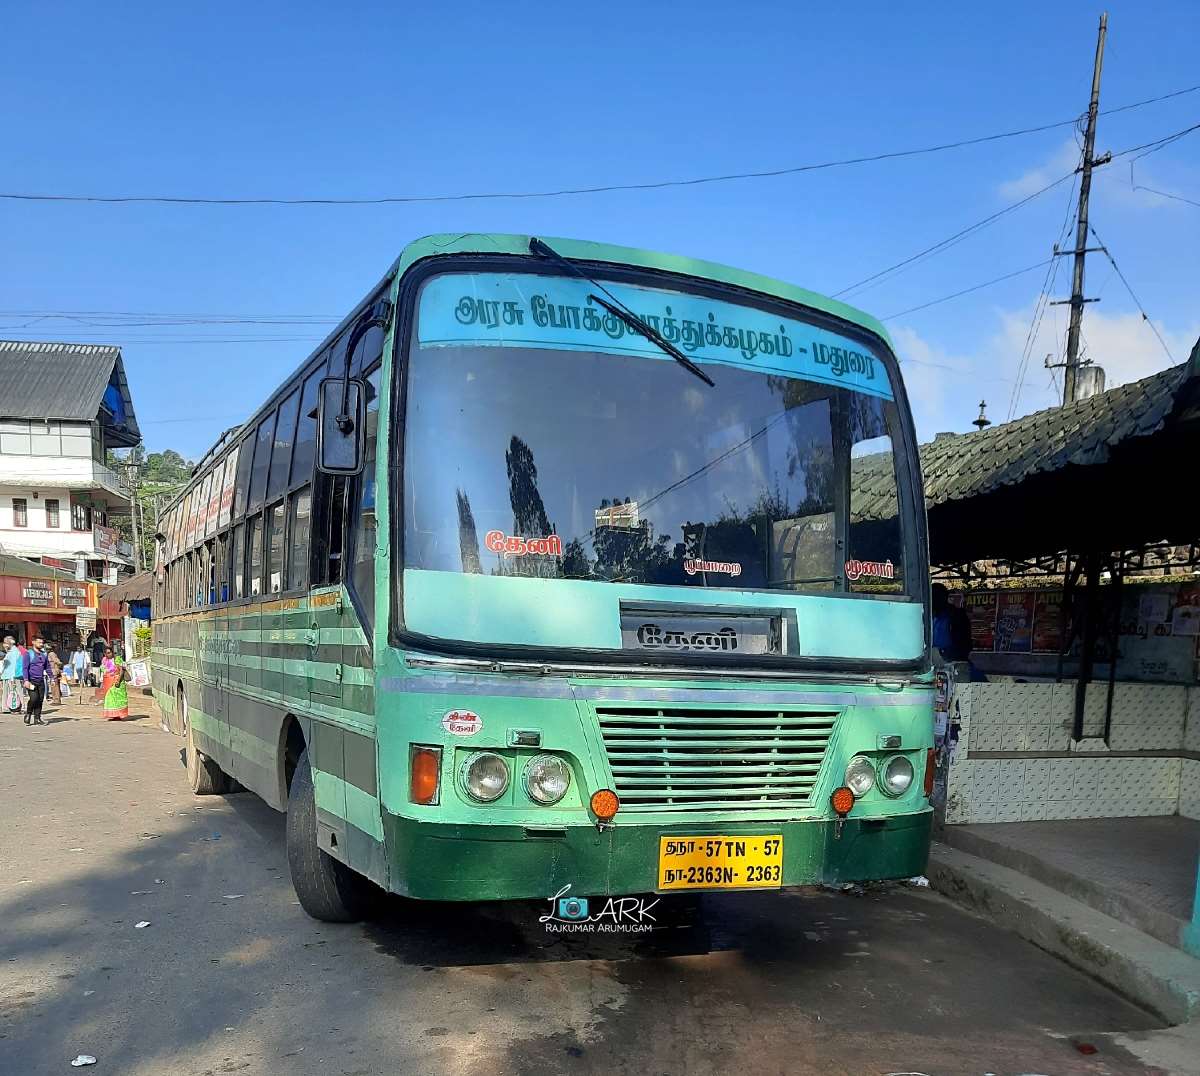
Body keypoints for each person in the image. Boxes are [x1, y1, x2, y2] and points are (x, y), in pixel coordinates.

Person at [931, 583, 973, 663]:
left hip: (953, 660)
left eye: (936, 596)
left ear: (945, 597)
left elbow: (964, 643)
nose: (934, 600)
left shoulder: (957, 615)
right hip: (933, 659)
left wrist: (948, 654)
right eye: (932, 597)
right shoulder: (929, 616)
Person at [23, 635, 49, 726]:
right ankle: (28, 713)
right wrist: (26, 680)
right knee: (34, 698)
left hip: (41, 680)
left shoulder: (44, 654)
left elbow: (47, 667)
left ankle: (37, 718)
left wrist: (52, 678)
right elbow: (25, 668)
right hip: (31, 681)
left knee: (40, 700)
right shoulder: (28, 654)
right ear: (33, 642)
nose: (41, 644)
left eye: (42, 642)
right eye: (39, 642)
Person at [99, 646, 129, 721]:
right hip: (108, 681)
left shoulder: (117, 659)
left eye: (109, 653)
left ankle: (120, 714)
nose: (107, 655)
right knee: (110, 698)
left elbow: (121, 670)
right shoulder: (104, 660)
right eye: (106, 653)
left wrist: (118, 680)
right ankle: (114, 714)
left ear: (112, 652)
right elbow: (103, 669)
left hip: (117, 680)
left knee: (119, 698)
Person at [1, 637, 23, 714]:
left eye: (6, 643)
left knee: (17, 691)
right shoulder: (10, 652)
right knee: (6, 692)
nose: (4, 644)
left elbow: (14, 665)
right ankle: (6, 707)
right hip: (7, 675)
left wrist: (13, 676)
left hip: (13, 676)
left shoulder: (14, 652)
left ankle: (19, 707)